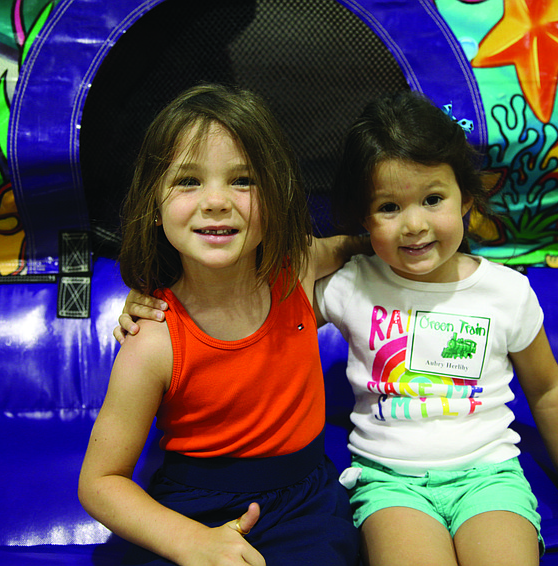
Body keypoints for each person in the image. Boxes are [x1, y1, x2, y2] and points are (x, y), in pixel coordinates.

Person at [120, 90, 558, 566]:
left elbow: (547, 389)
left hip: (489, 477)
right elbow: (238, 293)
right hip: (389, 482)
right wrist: (146, 297)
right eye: (388, 207)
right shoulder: (347, 285)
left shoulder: (506, 292)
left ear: (467, 200)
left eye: (432, 200)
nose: (414, 224)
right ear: (364, 218)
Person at [79, 83, 361, 566]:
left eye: (243, 181)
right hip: (195, 510)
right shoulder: (153, 339)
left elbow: (351, 244)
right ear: (154, 202)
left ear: (277, 194)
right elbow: (100, 483)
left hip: (306, 507)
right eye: (188, 181)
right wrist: (191, 542)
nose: (216, 201)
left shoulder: (296, 268)